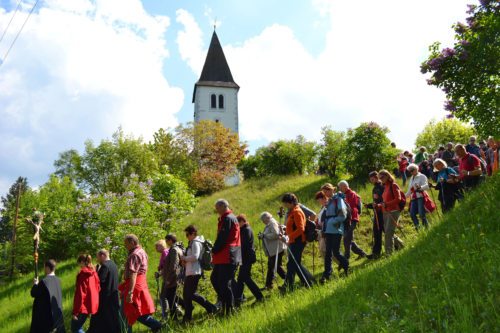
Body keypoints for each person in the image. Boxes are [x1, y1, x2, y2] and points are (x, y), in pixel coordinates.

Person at [119, 234, 163, 332]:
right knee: (137, 312)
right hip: (140, 284)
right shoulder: (142, 251)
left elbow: (133, 274)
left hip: (134, 285)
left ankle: (157, 325)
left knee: (125, 314)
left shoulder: (134, 254)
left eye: (126, 244)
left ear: (132, 242)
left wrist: (130, 292)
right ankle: (156, 325)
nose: (125, 246)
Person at [180, 225, 217, 323]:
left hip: (194, 272)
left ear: (193, 233)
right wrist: (185, 261)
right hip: (191, 271)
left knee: (191, 294)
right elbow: (192, 257)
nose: (186, 236)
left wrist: (184, 258)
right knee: (187, 295)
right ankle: (187, 318)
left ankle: (210, 308)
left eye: (187, 234)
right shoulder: (192, 242)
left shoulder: (195, 243)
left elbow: (195, 257)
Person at [211, 199, 241, 316]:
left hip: (227, 255)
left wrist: (213, 249)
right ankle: (226, 304)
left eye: (217, 208)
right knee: (215, 279)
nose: (216, 210)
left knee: (224, 283)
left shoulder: (228, 218)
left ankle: (229, 309)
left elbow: (223, 238)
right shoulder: (226, 218)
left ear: (224, 206)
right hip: (223, 256)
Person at [280, 193, 315, 291]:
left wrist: (288, 236)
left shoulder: (297, 212)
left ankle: (288, 286)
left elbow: (300, 229)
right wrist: (285, 230)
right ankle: (309, 282)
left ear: (291, 203)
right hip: (293, 241)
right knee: (295, 263)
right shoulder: (291, 212)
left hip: (299, 241)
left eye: (286, 204)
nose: (285, 206)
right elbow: (292, 227)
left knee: (292, 263)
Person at [316, 190, 349, 283]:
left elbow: (343, 215)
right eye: (324, 192)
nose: (325, 194)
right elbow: (325, 218)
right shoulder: (329, 202)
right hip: (328, 231)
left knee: (336, 252)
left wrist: (332, 221)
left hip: (337, 230)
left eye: (326, 191)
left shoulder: (338, 199)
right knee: (328, 253)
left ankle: (346, 264)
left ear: (331, 190)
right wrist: (324, 229)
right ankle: (327, 274)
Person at [233, 214, 264, 306]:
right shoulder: (243, 230)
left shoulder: (246, 230)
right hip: (244, 257)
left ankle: (259, 296)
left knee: (245, 278)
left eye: (238, 223)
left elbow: (244, 246)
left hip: (247, 257)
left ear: (242, 221)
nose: (237, 225)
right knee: (241, 279)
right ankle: (238, 299)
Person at [88, 249, 120, 333]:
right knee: (112, 321)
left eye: (98, 257)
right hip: (113, 296)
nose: (97, 260)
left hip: (105, 299)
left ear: (102, 256)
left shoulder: (105, 266)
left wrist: (95, 272)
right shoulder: (114, 265)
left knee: (101, 322)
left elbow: (99, 281)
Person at [31, 259, 65, 333]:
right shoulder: (58, 280)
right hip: (57, 315)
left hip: (46, 316)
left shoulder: (44, 282)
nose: (44, 270)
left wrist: (35, 284)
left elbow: (34, 293)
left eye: (44, 267)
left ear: (47, 268)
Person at [338, 180, 367, 260]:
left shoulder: (351, 194)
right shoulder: (344, 194)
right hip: (347, 219)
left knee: (347, 238)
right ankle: (362, 254)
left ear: (345, 186)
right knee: (349, 239)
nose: (339, 189)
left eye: (340, 187)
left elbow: (350, 206)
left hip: (352, 218)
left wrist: (342, 201)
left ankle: (346, 258)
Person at [72, 254, 100, 333]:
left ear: (82, 262)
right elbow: (98, 288)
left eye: (79, 263)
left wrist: (75, 312)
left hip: (83, 307)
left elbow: (80, 294)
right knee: (78, 328)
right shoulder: (94, 273)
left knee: (75, 329)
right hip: (92, 305)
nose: (79, 266)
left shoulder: (82, 274)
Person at [259, 212, 286, 290]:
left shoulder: (272, 223)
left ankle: (288, 279)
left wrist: (264, 235)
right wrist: (263, 235)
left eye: (263, 220)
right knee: (271, 266)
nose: (263, 222)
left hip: (277, 249)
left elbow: (276, 234)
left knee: (276, 266)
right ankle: (268, 284)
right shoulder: (270, 223)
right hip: (273, 250)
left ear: (267, 218)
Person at [378, 170, 402, 256]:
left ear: (387, 176)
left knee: (388, 233)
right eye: (379, 178)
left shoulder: (393, 185)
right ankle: (401, 246)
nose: (381, 179)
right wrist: (379, 205)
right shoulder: (385, 187)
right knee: (389, 232)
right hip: (386, 212)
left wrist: (386, 204)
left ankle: (389, 254)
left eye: (382, 177)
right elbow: (385, 201)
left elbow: (398, 199)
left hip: (393, 211)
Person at [162, 234, 184, 320]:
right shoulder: (174, 249)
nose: (166, 242)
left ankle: (174, 317)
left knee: (170, 297)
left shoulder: (174, 250)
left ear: (171, 240)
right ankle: (177, 314)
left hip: (173, 277)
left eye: (167, 240)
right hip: (173, 277)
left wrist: (168, 279)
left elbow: (173, 266)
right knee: (171, 296)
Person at [365, 171, 385, 260]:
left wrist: (377, 205)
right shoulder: (375, 188)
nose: (371, 181)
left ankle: (397, 245)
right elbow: (375, 202)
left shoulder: (381, 186)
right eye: (370, 179)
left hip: (383, 212)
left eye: (373, 179)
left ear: (377, 177)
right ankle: (376, 253)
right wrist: (369, 205)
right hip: (377, 212)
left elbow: (383, 200)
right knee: (377, 233)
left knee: (384, 232)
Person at [405, 164, 430, 230]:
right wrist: (404, 197)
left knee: (421, 214)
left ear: (416, 169)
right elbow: (410, 190)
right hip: (413, 197)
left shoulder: (422, 176)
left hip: (421, 197)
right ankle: (418, 228)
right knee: (412, 214)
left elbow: (427, 186)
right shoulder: (411, 178)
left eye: (412, 170)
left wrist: (420, 187)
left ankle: (427, 228)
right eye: (409, 171)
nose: (411, 172)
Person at [153, 239, 169, 319]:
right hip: (167, 277)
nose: (156, 248)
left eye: (157, 246)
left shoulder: (165, 252)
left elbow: (166, 266)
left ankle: (165, 316)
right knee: (169, 295)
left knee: (163, 296)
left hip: (167, 277)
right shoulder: (165, 252)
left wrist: (159, 273)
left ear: (162, 245)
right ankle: (176, 309)